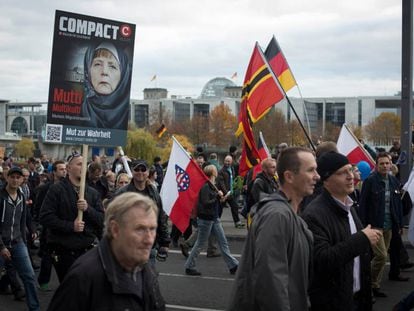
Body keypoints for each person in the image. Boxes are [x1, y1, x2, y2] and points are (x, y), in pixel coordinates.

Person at [228, 147, 318, 311]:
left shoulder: (291, 214)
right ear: (289, 176)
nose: (317, 176)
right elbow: (270, 282)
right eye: (311, 170)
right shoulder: (277, 216)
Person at [46, 192, 166, 311]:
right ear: (115, 229)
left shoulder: (146, 270)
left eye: (152, 229)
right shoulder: (83, 277)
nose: (149, 239)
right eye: (140, 229)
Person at [301, 151, 381, 310]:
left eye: (350, 169)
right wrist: (362, 239)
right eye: (342, 173)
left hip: (357, 299)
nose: (350, 176)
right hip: (333, 303)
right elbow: (323, 260)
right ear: (326, 180)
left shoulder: (349, 207)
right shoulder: (314, 214)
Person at [40, 152, 104, 283]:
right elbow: (45, 217)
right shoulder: (56, 190)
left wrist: (88, 209)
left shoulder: (92, 193)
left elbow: (101, 220)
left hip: (87, 250)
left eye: (85, 164)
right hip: (64, 251)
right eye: (79, 164)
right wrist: (71, 226)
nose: (83, 167)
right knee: (71, 288)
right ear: (68, 168)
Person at [358, 152, 407, 298]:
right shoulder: (370, 181)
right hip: (375, 225)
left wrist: (399, 224)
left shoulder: (393, 181)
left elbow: (396, 204)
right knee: (382, 256)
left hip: (390, 225)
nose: (385, 166)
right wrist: (363, 225)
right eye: (382, 163)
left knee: (381, 257)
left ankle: (374, 286)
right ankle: (367, 283)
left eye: (387, 163)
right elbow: (363, 205)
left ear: (391, 164)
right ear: (376, 165)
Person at [184, 165, 239, 276]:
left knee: (223, 242)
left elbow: (213, 202)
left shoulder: (212, 185)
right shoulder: (206, 187)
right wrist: (217, 198)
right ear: (213, 173)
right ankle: (189, 266)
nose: (217, 171)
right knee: (200, 243)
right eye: (215, 170)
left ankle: (233, 265)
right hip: (206, 219)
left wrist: (221, 199)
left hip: (214, 218)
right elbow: (205, 203)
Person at [115, 159, 170, 264]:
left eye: (143, 169)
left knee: (149, 279)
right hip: (128, 246)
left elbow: (160, 217)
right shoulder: (122, 192)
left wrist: (165, 242)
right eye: (137, 169)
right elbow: (114, 218)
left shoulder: (153, 192)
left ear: (148, 172)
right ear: (132, 171)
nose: (140, 172)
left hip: (148, 246)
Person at [0, 167, 40, 311]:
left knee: (29, 277)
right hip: (1, 244)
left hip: (18, 243)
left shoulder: (22, 197)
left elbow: (24, 219)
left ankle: (34, 308)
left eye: (18, 177)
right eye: (13, 177)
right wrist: (2, 247)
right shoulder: (1, 196)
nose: (15, 180)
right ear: (7, 177)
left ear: (22, 180)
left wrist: (27, 235)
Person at [81, 42, 132, 130]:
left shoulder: (127, 117)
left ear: (123, 74)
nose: (104, 72)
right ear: (88, 71)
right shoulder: (76, 113)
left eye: (112, 66)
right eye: (97, 64)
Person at [34, 160, 66, 292]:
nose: (64, 171)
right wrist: (40, 226)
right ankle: (43, 282)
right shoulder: (46, 188)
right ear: (54, 172)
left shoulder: (68, 187)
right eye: (60, 169)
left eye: (65, 169)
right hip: (48, 227)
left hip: (63, 226)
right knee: (48, 255)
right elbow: (38, 208)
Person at [217, 155, 244, 228]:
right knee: (220, 209)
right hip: (224, 194)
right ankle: (216, 222)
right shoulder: (221, 171)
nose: (227, 163)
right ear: (224, 161)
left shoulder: (232, 169)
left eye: (229, 161)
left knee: (234, 206)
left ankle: (237, 222)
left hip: (230, 192)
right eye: (226, 161)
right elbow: (221, 183)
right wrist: (226, 193)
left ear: (231, 162)